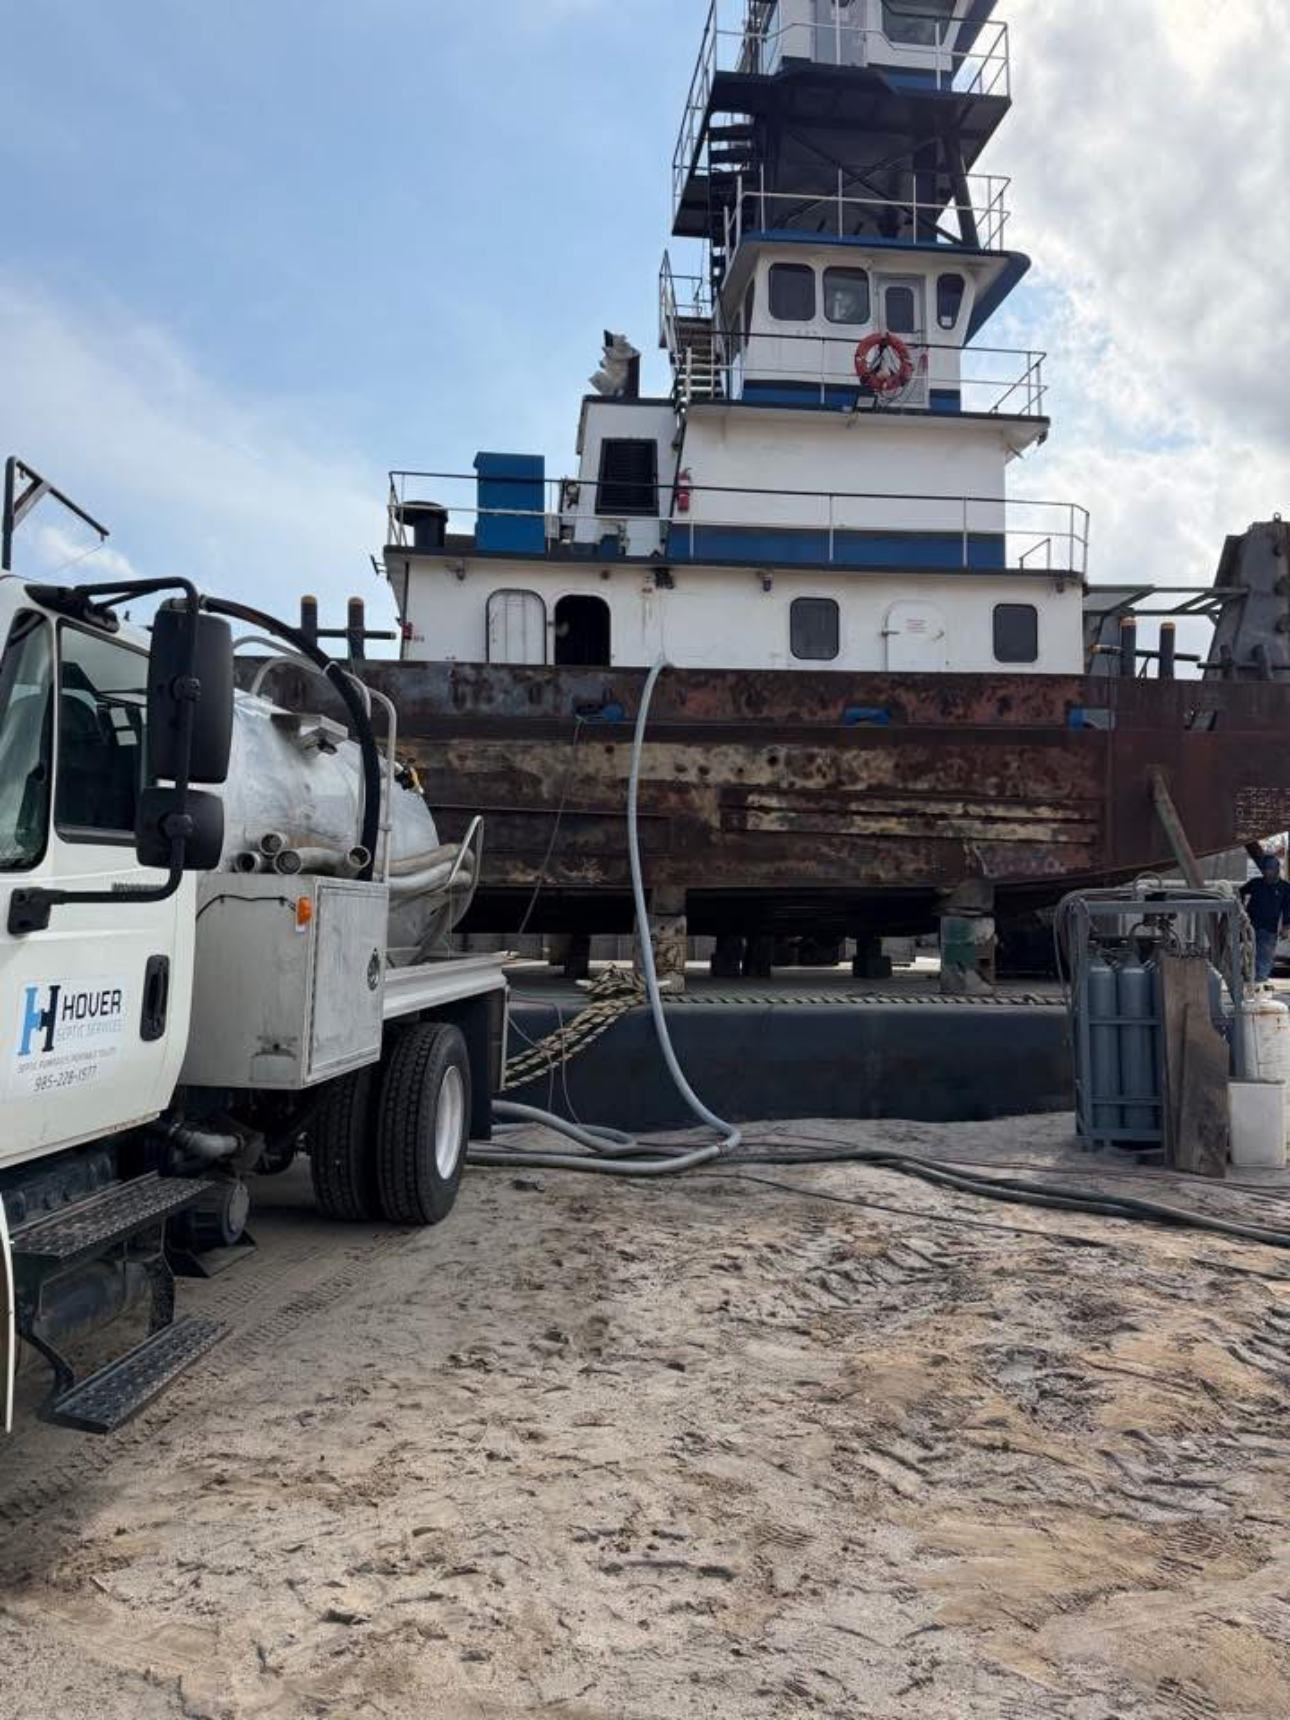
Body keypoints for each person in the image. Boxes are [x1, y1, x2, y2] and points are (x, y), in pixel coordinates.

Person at [1240, 855, 1290, 983]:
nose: (1267, 872)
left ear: (1277, 869)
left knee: (1264, 960)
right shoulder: (1255, 883)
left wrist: (1286, 927)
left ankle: (1260, 983)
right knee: (1247, 957)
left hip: (1269, 930)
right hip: (1250, 927)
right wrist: (1241, 909)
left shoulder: (1285, 887)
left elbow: (1287, 909)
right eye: (1265, 869)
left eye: (1270, 869)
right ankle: (1249, 981)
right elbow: (1241, 892)